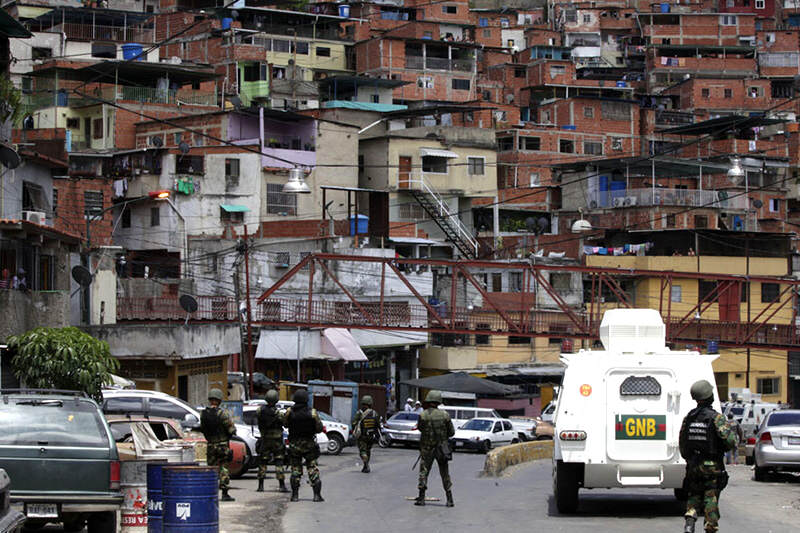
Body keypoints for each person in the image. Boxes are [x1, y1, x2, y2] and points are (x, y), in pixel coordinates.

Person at [679, 380, 737, 533]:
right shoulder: (716, 418)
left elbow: (683, 443)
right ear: (709, 396)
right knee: (710, 496)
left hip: (694, 465)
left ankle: (690, 521)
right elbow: (731, 442)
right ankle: (710, 526)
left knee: (693, 494)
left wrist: (690, 460)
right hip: (712, 466)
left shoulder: (689, 417)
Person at [415, 389, 455, 508]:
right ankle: (449, 499)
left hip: (427, 449)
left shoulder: (423, 415)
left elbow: (420, 429)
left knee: (424, 472)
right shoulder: (445, 415)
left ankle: (421, 498)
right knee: (445, 473)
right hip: (441, 449)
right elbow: (451, 432)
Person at [285, 389, 324, 502]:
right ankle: (317, 496)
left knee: (295, 470)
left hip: (294, 445)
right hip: (309, 445)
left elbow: (285, 424)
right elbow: (319, 428)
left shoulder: (289, 412)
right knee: (312, 469)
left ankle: (295, 496)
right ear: (306, 400)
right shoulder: (312, 412)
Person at [200, 388, 236, 502]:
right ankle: (225, 493)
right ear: (219, 400)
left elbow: (203, 429)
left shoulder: (203, 413)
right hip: (222, 445)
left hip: (211, 445)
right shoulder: (223, 413)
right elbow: (231, 430)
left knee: (211, 469)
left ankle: (210, 493)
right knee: (224, 468)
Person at [256, 389, 288, 493]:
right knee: (279, 461)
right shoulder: (277, 413)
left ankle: (260, 486)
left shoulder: (260, 410)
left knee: (263, 462)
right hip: (277, 441)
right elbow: (284, 422)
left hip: (265, 439)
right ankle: (281, 485)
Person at [351, 395, 380, 473]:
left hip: (362, 436)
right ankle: (365, 465)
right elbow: (378, 425)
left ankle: (366, 465)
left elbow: (353, 423)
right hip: (371, 436)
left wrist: (355, 431)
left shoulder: (359, 413)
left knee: (362, 451)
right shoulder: (374, 413)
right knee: (368, 450)